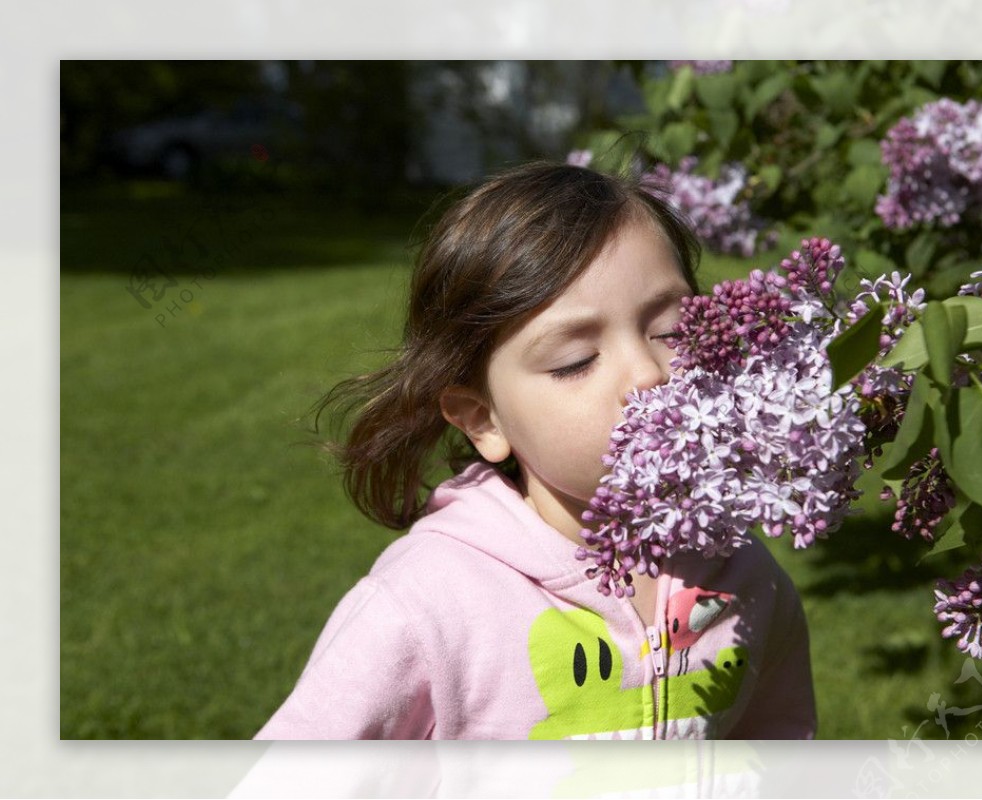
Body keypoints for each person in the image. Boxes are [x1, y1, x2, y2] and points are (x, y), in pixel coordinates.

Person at [255, 161, 817, 740]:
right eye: (575, 361)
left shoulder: (749, 577)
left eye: (672, 332)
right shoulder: (425, 607)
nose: (648, 376)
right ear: (484, 420)